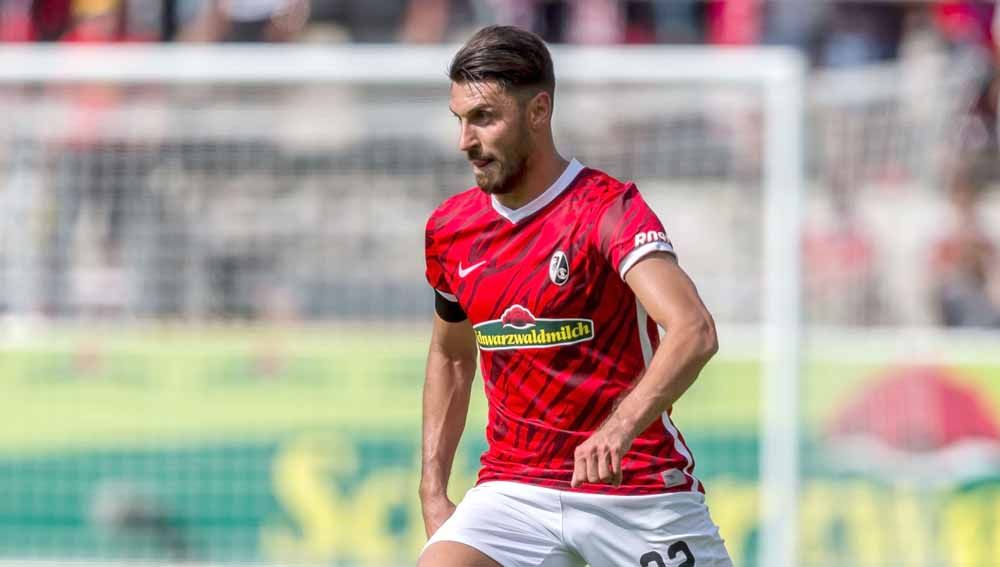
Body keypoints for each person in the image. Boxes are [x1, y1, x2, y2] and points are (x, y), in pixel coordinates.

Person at [419, 25, 732, 567]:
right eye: (460, 120)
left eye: (484, 118)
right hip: (515, 489)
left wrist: (618, 428)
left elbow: (693, 331)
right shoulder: (451, 229)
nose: (464, 141)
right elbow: (451, 356)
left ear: (539, 112)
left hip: (634, 488)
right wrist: (432, 489)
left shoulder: (608, 211)